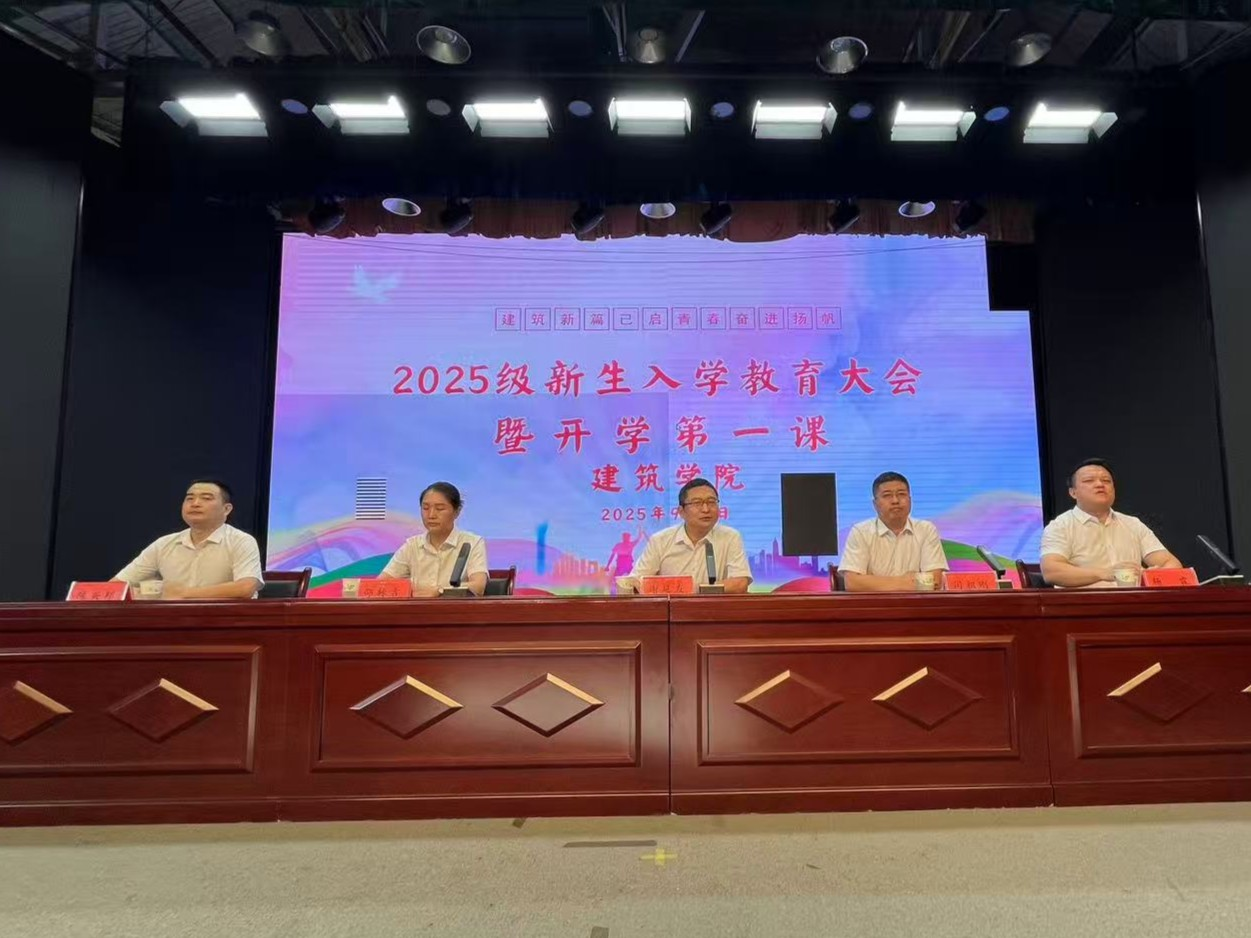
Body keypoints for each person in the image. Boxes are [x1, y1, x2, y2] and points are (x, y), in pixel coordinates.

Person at [1040, 459, 1181, 588]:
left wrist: (1151, 576)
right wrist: (1104, 573)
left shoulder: (1132, 524)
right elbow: (1052, 572)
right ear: (1073, 492)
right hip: (1084, 604)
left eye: (1106, 481)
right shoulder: (1060, 526)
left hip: (1135, 602)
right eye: (1089, 480)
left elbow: (1172, 564)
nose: (1100, 484)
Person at [113, 480, 263, 599]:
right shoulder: (164, 544)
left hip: (225, 620)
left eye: (206, 498)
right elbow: (115, 587)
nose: (195, 503)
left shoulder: (241, 541)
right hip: (170, 621)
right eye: (189, 498)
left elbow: (246, 587)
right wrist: (146, 593)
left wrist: (184, 593)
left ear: (226, 509)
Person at [617, 478, 752, 593]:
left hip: (714, 612)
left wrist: (691, 589)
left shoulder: (730, 537)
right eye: (697, 503)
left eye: (711, 502)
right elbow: (635, 582)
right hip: (670, 613)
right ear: (681, 511)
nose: (706, 509)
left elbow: (740, 583)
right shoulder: (660, 540)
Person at [840, 471, 948, 592]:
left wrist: (873, 582)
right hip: (875, 603)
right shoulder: (860, 532)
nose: (895, 500)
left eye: (901, 494)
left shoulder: (926, 529)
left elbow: (935, 581)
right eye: (887, 495)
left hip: (915, 603)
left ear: (910, 500)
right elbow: (852, 582)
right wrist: (906, 581)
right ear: (875, 504)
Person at [380, 482, 488, 597]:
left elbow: (478, 586)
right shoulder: (412, 545)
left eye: (439, 509)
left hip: (456, 608)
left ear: (457, 512)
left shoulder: (472, 543)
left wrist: (440, 591)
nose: (431, 515)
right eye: (425, 508)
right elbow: (381, 584)